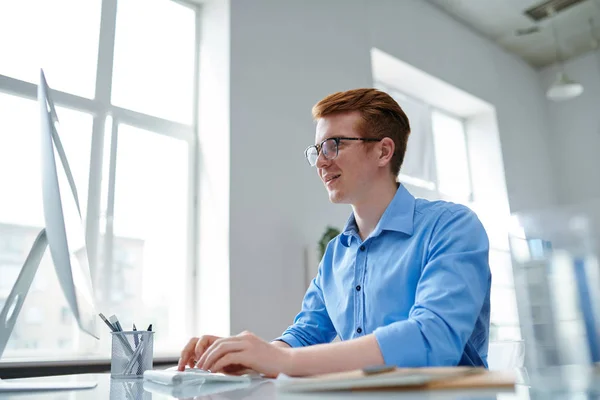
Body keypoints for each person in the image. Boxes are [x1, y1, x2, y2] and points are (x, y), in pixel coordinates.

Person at [178, 88, 491, 378]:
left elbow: (432, 339)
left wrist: (285, 362)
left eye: (334, 144)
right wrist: (250, 356)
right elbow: (305, 335)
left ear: (383, 152)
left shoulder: (451, 227)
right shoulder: (336, 254)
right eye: (318, 149)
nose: (321, 162)